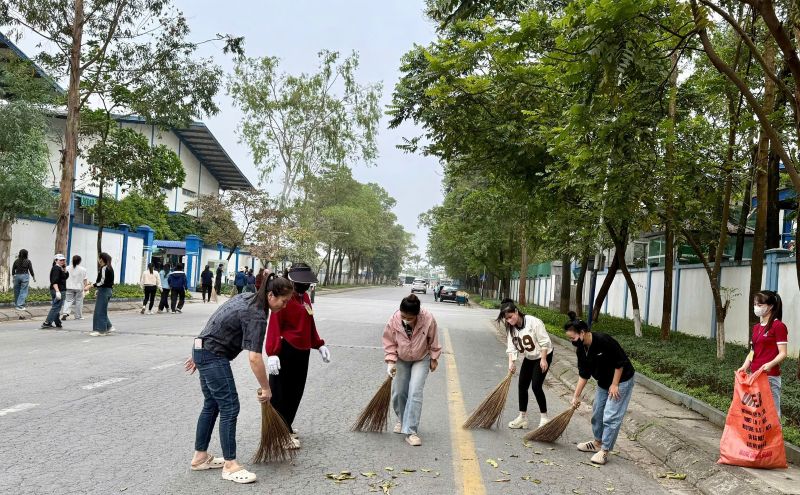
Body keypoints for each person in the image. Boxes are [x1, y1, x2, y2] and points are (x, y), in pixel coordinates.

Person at [185, 273, 294, 485]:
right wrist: (266, 388)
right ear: (271, 295)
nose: (285, 305)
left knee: (212, 405)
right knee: (230, 407)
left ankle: (200, 458)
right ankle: (230, 465)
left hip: (204, 349)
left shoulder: (246, 297)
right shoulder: (257, 314)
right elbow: (254, 358)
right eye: (284, 300)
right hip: (213, 354)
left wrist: (199, 348)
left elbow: (217, 319)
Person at [266, 263, 331, 448]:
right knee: (281, 393)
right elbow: (274, 325)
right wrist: (273, 352)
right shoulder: (285, 299)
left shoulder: (305, 298)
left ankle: (286, 426)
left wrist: (319, 344)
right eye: (302, 283)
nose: (305, 287)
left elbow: (310, 323)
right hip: (285, 350)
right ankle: (278, 433)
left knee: (296, 392)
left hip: (302, 351)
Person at [566, 312, 635, 465]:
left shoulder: (604, 341)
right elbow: (584, 374)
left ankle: (604, 451)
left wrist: (615, 384)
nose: (571, 341)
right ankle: (597, 443)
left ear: (582, 333)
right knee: (597, 412)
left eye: (573, 337)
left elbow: (620, 363)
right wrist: (576, 396)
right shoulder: (581, 349)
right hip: (603, 382)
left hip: (621, 380)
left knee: (611, 415)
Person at [383, 293, 441, 447]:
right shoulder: (394, 320)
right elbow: (389, 341)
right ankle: (402, 420)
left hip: (421, 358)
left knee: (415, 392)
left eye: (410, 318)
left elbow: (433, 338)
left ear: (417, 314)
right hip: (401, 358)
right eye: (403, 316)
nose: (406, 320)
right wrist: (390, 362)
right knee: (399, 392)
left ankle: (411, 431)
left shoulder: (428, 319)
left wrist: (434, 358)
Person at [497, 299, 553, 429]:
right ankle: (522, 417)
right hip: (530, 356)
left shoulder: (534, 322)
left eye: (511, 317)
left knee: (536, 386)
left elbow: (545, 342)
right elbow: (511, 347)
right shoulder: (511, 329)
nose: (510, 320)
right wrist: (511, 363)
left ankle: (544, 418)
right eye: (507, 319)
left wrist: (544, 359)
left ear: (516, 311)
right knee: (522, 385)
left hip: (543, 355)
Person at [737, 290, 788, 417]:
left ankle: (774, 437)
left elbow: (783, 353)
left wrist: (769, 365)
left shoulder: (778, 326)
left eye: (760, 305)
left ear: (770, 306)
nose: (756, 308)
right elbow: (752, 351)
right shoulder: (756, 327)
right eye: (755, 304)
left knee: (772, 414)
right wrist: (744, 366)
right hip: (753, 375)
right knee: (754, 414)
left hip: (769, 377)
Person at [89, 252, 115, 336]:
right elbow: (107, 281)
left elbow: (102, 281)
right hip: (107, 290)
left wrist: (91, 285)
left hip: (104, 290)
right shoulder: (109, 267)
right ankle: (109, 327)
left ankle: (100, 330)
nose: (98, 260)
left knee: (99, 311)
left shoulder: (104, 268)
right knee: (102, 310)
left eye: (99, 258)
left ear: (102, 259)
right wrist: (98, 289)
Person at [41, 253, 69, 329]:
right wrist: (57, 291)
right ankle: (47, 322)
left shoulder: (60, 268)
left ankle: (57, 322)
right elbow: (54, 281)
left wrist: (64, 268)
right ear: (56, 260)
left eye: (63, 260)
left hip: (58, 290)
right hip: (58, 290)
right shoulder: (56, 268)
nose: (62, 261)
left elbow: (65, 277)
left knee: (56, 306)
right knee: (56, 307)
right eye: (61, 260)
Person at [62, 255, 89, 320]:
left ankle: (65, 313)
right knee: (79, 301)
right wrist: (86, 288)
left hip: (69, 287)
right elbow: (85, 280)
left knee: (68, 300)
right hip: (79, 288)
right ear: (80, 261)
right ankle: (78, 316)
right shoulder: (83, 269)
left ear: (72, 260)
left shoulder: (67, 268)